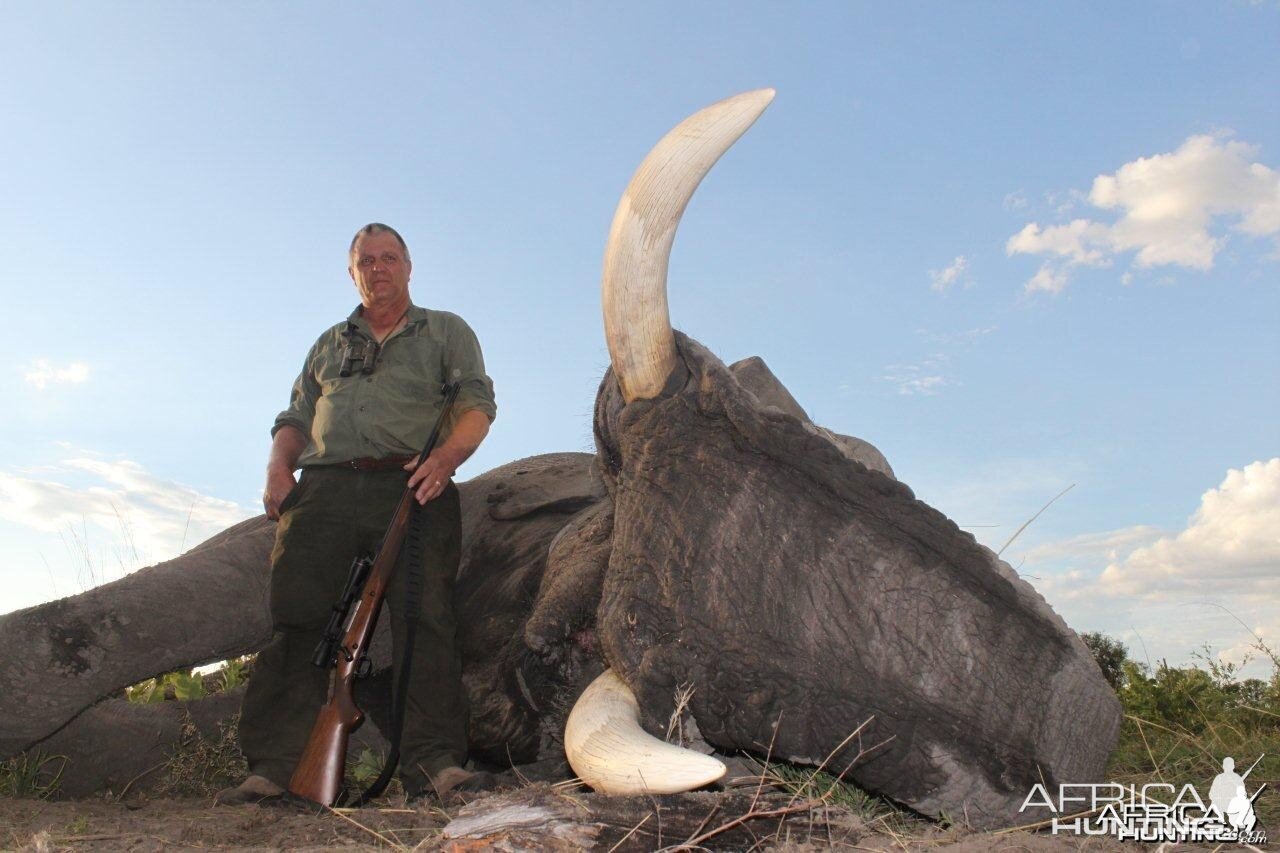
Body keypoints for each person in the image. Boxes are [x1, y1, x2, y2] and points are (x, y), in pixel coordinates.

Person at [216, 223, 497, 805]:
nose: (378, 268)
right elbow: (295, 418)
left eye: (388, 257)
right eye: (365, 261)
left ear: (409, 267)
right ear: (352, 273)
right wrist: (277, 469)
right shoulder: (327, 343)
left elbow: (476, 404)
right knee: (297, 621)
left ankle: (437, 765)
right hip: (323, 493)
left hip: (414, 485)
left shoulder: (446, 331)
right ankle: (274, 768)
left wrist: (445, 458)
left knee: (429, 622)